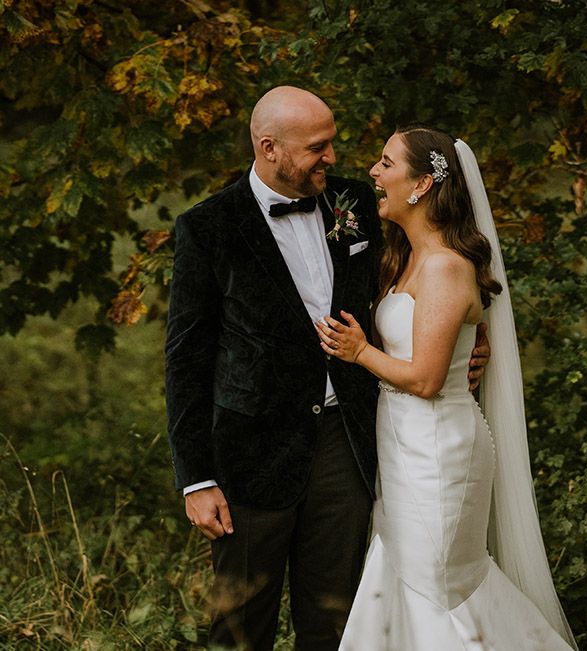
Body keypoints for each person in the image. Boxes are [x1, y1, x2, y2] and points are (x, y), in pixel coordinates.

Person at [164, 87, 490, 650]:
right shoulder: (208, 227)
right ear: (270, 148)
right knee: (241, 623)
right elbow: (187, 357)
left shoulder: (357, 203)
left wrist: (466, 343)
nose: (333, 157)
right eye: (318, 147)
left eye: (332, 142)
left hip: (348, 441)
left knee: (337, 616)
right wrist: (196, 477)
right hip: (250, 451)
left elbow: (424, 278)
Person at [316, 126, 578, 650]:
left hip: (438, 453)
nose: (373, 172)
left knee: (438, 586)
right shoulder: (406, 258)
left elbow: (429, 380)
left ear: (421, 185)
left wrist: (359, 350)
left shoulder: (443, 267)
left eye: (386, 163)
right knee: (406, 580)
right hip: (403, 447)